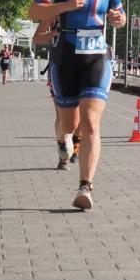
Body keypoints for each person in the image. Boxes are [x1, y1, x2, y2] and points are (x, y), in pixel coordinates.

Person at [28, 0, 126, 210]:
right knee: (69, 125)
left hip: (97, 55)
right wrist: (67, 6)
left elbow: (119, 16)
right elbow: (34, 12)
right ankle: (62, 140)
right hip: (66, 55)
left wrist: (119, 20)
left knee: (92, 124)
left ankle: (85, 187)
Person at [33, 18, 82, 168]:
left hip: (85, 67)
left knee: (83, 112)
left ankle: (77, 143)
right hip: (60, 67)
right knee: (62, 116)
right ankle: (62, 147)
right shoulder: (55, 9)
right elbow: (37, 38)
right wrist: (55, 32)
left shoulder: (88, 5)